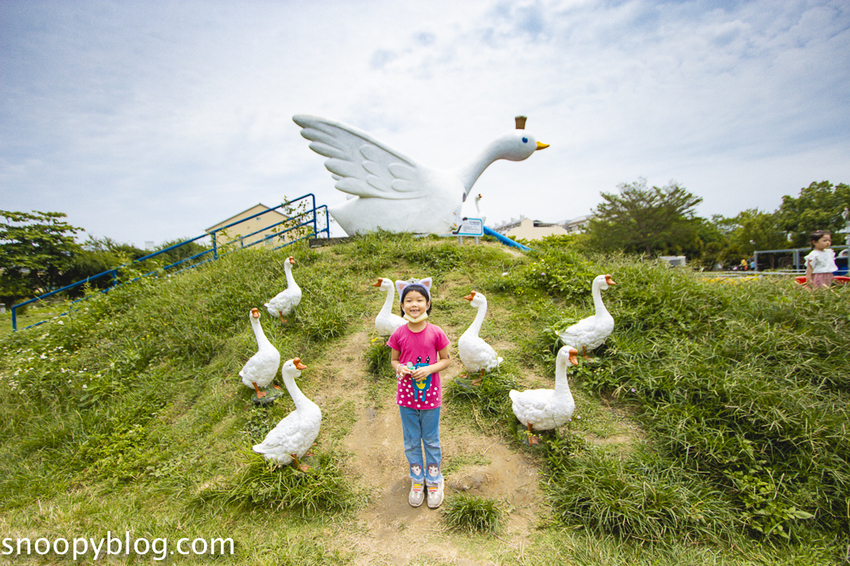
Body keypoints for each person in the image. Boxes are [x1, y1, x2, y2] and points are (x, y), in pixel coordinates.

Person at [387, 277, 451, 509]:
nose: (414, 304)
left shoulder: (436, 332)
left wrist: (429, 369)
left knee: (431, 440)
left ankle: (434, 480)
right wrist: (400, 368)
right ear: (402, 305)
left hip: (431, 397)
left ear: (428, 303)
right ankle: (417, 479)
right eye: (409, 300)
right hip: (406, 396)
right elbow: (394, 360)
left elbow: (446, 360)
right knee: (412, 440)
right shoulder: (398, 334)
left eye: (419, 300)